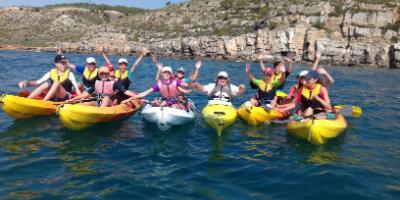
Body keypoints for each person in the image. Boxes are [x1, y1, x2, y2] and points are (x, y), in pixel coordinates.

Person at [123, 66, 191, 109]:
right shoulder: (159, 84)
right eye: (164, 72)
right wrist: (129, 99)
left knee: (173, 107)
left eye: (168, 73)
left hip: (177, 102)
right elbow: (144, 94)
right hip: (167, 102)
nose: (166, 74)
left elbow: (186, 85)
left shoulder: (176, 82)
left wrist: (193, 85)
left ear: (171, 74)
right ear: (162, 73)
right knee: (161, 106)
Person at [68, 66, 137, 107]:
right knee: (85, 103)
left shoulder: (114, 83)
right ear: (99, 75)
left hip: (109, 102)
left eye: (106, 74)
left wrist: (136, 96)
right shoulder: (96, 83)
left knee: (106, 98)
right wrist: (73, 99)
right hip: (98, 101)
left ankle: (98, 112)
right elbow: (85, 94)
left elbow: (125, 91)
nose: (104, 76)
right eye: (102, 74)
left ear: (108, 74)